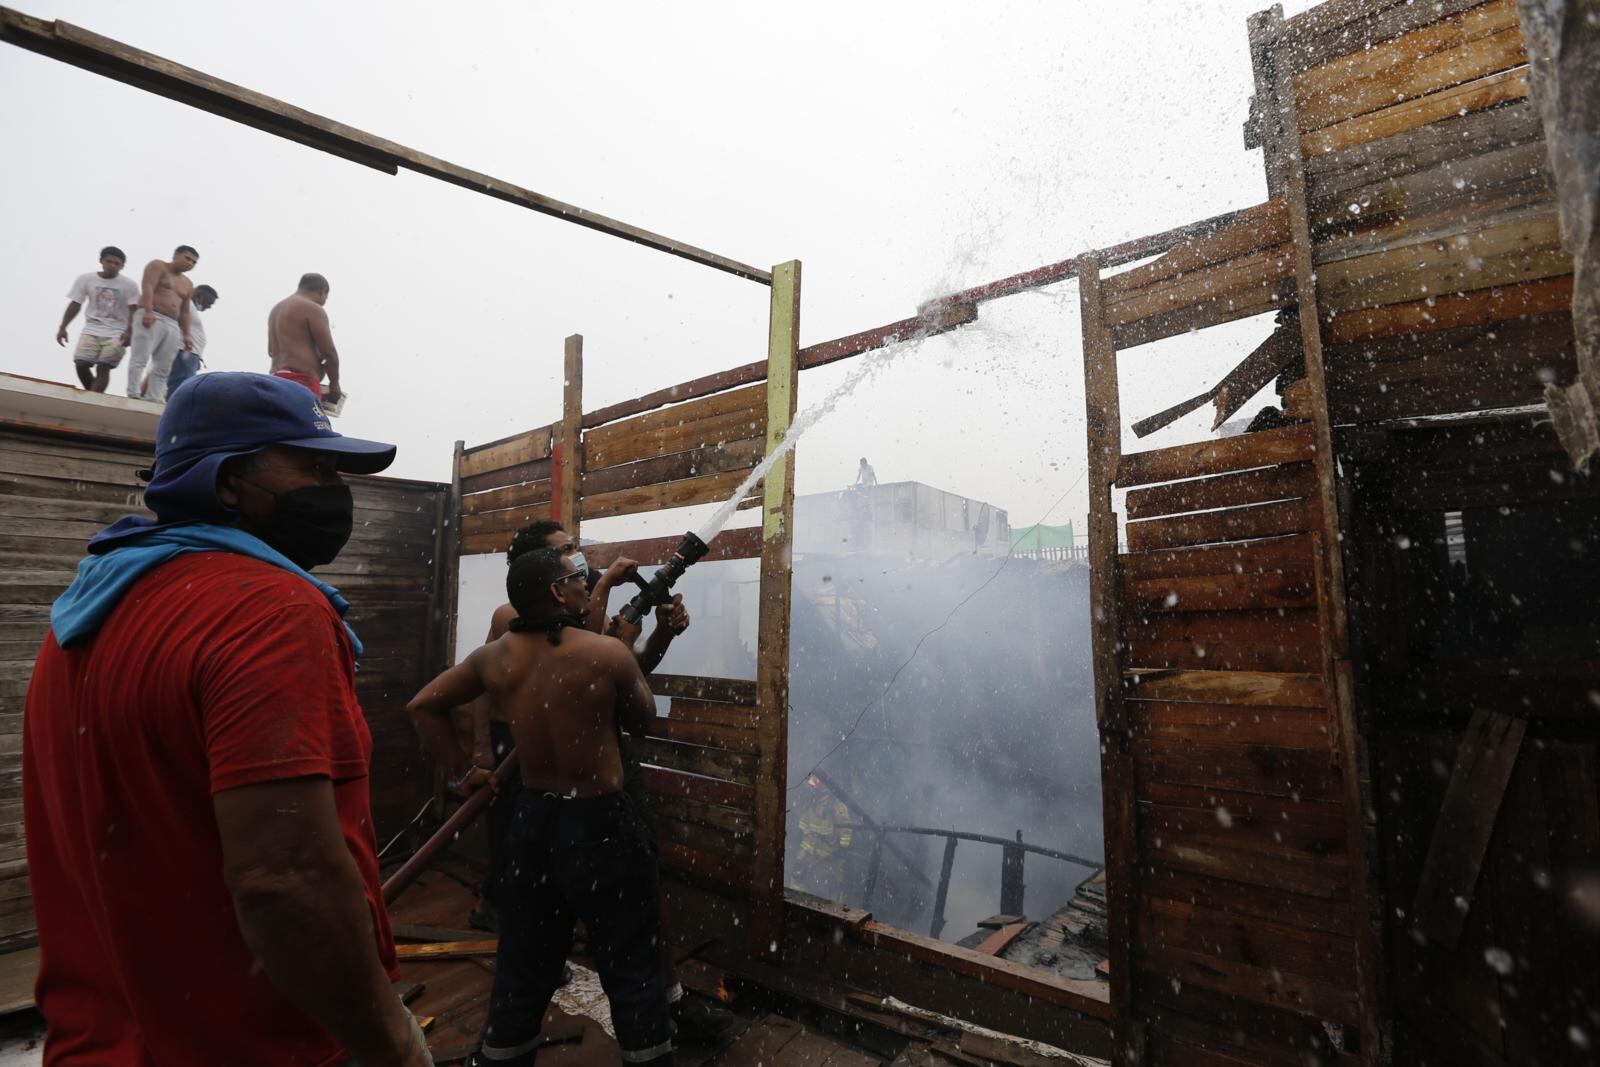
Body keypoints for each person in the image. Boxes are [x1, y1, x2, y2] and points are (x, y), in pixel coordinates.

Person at [23, 372, 430, 1066]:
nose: (336, 490)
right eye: (314, 466)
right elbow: (286, 880)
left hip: (101, 1040)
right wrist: (392, 1041)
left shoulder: (82, 617)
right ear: (228, 482)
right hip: (245, 1044)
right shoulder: (269, 613)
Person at [408, 549, 676, 1067]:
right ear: (557, 593)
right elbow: (642, 720)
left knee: (525, 960)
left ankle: (504, 1057)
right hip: (601, 823)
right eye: (578, 579)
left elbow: (423, 705)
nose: (585, 585)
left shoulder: (496, 657)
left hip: (532, 821)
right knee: (631, 960)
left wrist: (464, 773)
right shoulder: (603, 652)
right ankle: (650, 1056)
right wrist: (625, 649)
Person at [57, 245, 140, 393]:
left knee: (104, 366)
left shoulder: (129, 285)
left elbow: (135, 311)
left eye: (117, 264)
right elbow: (76, 303)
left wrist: (130, 333)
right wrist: (63, 327)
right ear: (101, 261)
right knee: (81, 363)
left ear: (122, 266)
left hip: (118, 332)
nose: (112, 266)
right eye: (109, 261)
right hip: (92, 328)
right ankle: (95, 396)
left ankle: (92, 400)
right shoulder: (86, 279)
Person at [126, 244, 199, 403]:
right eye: (187, 258)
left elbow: (185, 311)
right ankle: (133, 392)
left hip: (173, 323)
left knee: (164, 365)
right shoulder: (158, 266)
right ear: (176, 255)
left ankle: (154, 396)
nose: (189, 263)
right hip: (152, 315)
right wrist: (147, 310)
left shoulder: (187, 283)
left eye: (193, 262)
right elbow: (148, 287)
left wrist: (186, 334)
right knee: (141, 356)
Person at [269, 273, 343, 403]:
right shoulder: (312, 308)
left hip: (275, 380)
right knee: (304, 423)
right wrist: (334, 384)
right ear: (322, 292)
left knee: (281, 422)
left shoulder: (276, 310)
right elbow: (328, 353)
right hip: (301, 382)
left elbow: (271, 351)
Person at [163, 283, 217, 399]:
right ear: (200, 296)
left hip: (191, 354)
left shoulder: (191, 309)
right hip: (184, 351)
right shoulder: (185, 305)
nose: (209, 307)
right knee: (180, 385)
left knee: (183, 384)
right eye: (209, 303)